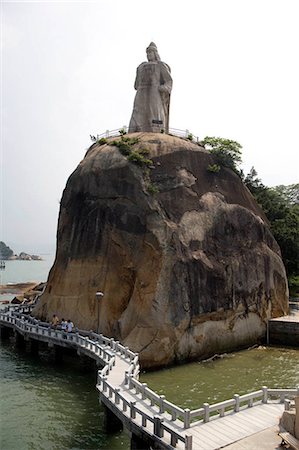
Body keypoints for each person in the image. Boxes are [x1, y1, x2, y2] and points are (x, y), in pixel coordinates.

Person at [128, 42, 172, 133]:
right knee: (137, 111)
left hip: (154, 92)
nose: (148, 55)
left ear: (155, 53)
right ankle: (135, 130)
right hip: (141, 92)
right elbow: (136, 85)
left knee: (154, 112)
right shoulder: (141, 66)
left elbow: (169, 81)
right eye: (147, 53)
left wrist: (163, 88)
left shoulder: (160, 65)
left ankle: (156, 129)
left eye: (150, 53)